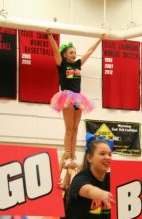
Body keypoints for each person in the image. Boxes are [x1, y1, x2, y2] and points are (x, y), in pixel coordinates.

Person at [47, 30, 104, 170]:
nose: (74, 54)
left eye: (75, 52)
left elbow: (89, 52)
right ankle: (66, 156)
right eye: (71, 52)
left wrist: (99, 39)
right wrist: (50, 36)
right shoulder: (62, 65)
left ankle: (72, 156)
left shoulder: (78, 64)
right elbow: (55, 50)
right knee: (69, 128)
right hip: (67, 97)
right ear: (65, 54)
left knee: (75, 128)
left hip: (78, 98)